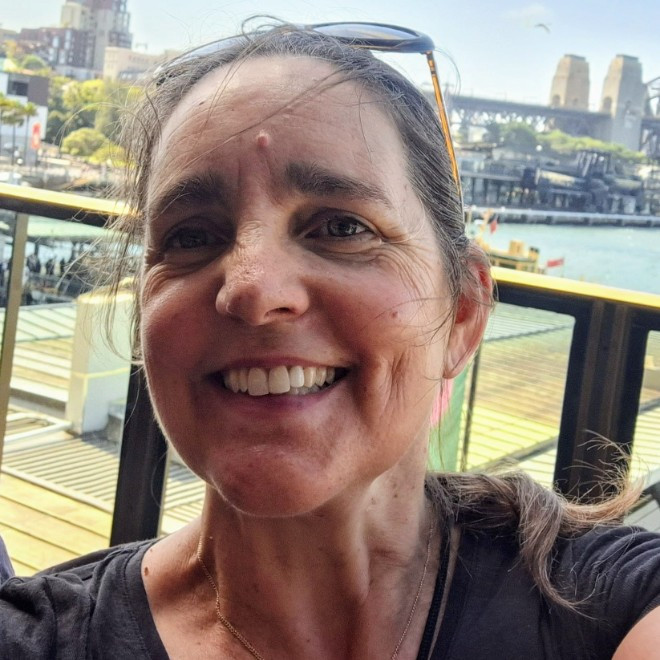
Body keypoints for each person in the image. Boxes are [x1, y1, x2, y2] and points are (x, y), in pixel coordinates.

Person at [0, 23, 659, 659]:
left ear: (462, 312)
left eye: (342, 228)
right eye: (191, 236)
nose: (252, 289)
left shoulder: (611, 608)